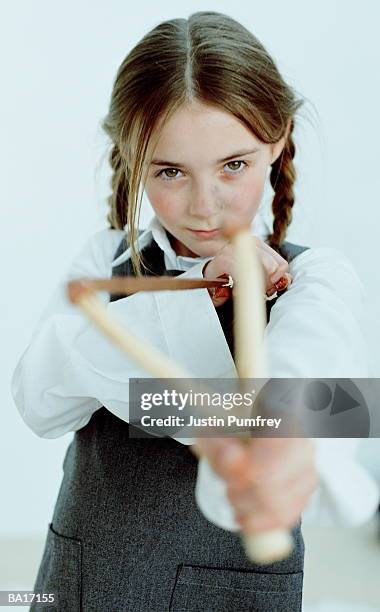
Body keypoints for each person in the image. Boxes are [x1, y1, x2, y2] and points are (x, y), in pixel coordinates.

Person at [11, 11, 379, 612]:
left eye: (234, 165)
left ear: (277, 139)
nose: (205, 207)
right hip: (82, 585)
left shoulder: (314, 276)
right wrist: (191, 307)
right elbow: (37, 397)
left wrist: (284, 442)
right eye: (170, 171)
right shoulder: (105, 259)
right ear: (133, 159)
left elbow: (334, 389)